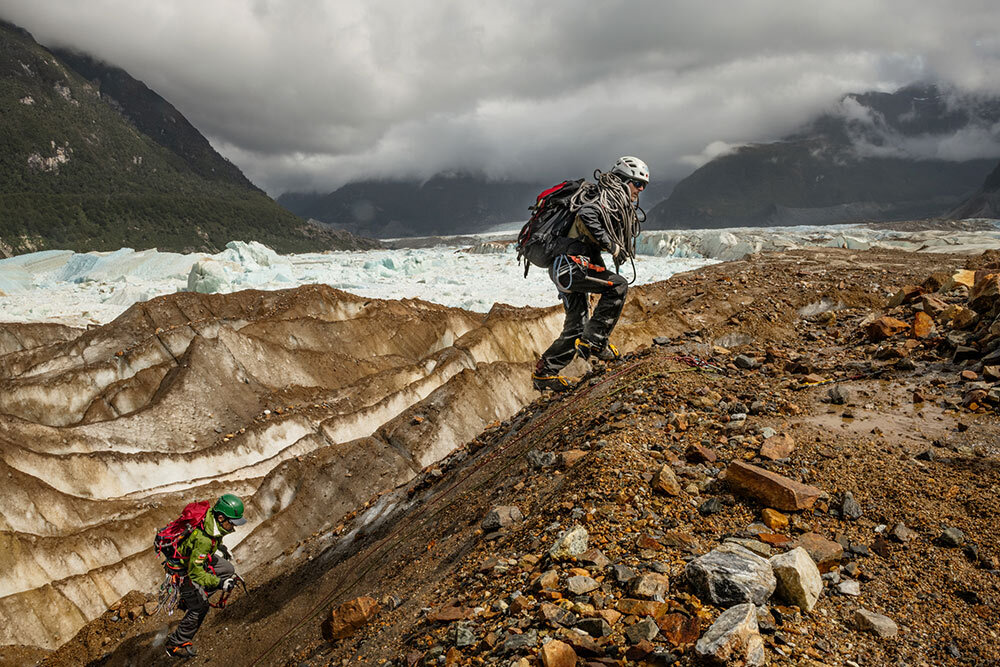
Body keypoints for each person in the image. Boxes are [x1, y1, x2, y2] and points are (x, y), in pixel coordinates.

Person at [532, 156, 649, 392]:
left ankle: (545, 373)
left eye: (643, 185)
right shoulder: (603, 198)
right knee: (617, 286)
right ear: (625, 180)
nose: (640, 189)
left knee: (576, 325)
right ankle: (595, 343)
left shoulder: (603, 197)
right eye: (637, 183)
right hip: (571, 267)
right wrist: (613, 245)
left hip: (563, 268)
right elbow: (587, 214)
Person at [164, 493, 247, 659]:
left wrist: (220, 547)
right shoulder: (204, 540)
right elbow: (195, 573)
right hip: (184, 571)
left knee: (227, 569)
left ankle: (189, 598)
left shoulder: (212, 520)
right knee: (200, 607)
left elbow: (210, 540)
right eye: (232, 523)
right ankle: (176, 643)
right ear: (222, 517)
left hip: (195, 559)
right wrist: (219, 583)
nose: (234, 527)